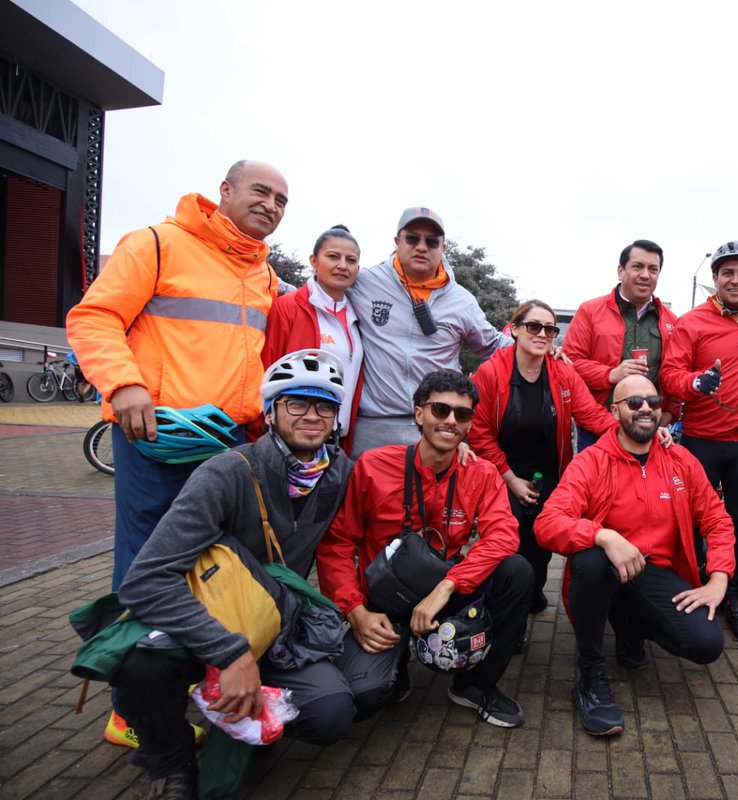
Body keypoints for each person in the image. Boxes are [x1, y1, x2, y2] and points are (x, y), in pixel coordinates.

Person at [66, 160, 288, 746]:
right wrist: (124, 384)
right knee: (146, 567)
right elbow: (93, 317)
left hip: (231, 443)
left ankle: (196, 683)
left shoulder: (263, 275)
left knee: (220, 569)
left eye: (282, 200)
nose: (270, 204)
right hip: (158, 440)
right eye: (260, 192)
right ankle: (129, 708)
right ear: (225, 192)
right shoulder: (158, 245)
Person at [110, 350, 354, 799]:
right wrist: (229, 652)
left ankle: (251, 724)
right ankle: (170, 762)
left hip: (276, 625)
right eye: (296, 403)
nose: (311, 416)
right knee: (137, 670)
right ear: (270, 411)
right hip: (211, 618)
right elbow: (144, 580)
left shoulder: (339, 474)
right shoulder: (226, 472)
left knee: (332, 711)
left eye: (325, 405)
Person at [317, 370, 533, 727]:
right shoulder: (373, 466)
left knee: (517, 572)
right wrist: (355, 611)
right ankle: (396, 666)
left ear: (469, 424)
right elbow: (337, 544)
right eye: (440, 410)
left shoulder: (480, 473)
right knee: (363, 697)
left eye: (461, 414)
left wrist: (448, 586)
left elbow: (503, 536)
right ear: (419, 414)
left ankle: (474, 686)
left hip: (445, 589)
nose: (450, 420)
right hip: (385, 601)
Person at [535, 375, 735, 735]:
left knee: (706, 643)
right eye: (634, 402)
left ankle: (631, 629)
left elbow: (718, 520)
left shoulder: (680, 460)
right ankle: (590, 677)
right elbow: (548, 523)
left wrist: (718, 578)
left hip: (653, 574)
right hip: (605, 573)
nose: (645, 408)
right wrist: (602, 534)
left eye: (653, 402)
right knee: (590, 559)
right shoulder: (591, 462)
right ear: (615, 412)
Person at [468, 300, 617, 616]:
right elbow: (478, 432)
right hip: (502, 475)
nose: (543, 334)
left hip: (549, 473)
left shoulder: (562, 372)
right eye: (533, 326)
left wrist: (630, 431)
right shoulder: (491, 372)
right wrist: (510, 478)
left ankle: (534, 591)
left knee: (541, 545)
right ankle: (511, 612)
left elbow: (590, 414)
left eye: (550, 328)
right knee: (511, 542)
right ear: (515, 329)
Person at [660, 240, 738, 643]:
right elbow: (670, 376)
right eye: (728, 272)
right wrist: (696, 382)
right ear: (715, 278)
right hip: (702, 440)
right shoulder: (692, 322)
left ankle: (736, 598)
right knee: (692, 522)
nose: (736, 279)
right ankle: (690, 590)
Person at [347, 207, 503, 453]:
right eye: (412, 238)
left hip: (438, 426)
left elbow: (495, 346)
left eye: (432, 241)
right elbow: (319, 292)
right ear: (397, 241)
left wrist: (544, 344)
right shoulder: (364, 283)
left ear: (443, 248)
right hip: (373, 429)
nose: (421, 247)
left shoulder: (462, 301)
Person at [562, 239, 680, 449]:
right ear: (620, 271)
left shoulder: (671, 321)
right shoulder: (589, 312)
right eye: (637, 266)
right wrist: (610, 374)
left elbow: (675, 374)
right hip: (596, 429)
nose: (645, 275)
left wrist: (668, 415)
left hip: (648, 431)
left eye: (653, 269)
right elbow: (569, 366)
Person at [262, 224, 364, 450]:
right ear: (314, 261)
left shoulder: (358, 314)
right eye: (333, 257)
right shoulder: (288, 308)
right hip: (288, 442)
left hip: (336, 443)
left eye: (351, 260)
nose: (342, 265)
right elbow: (266, 370)